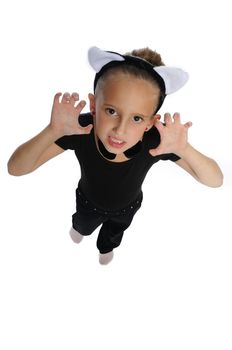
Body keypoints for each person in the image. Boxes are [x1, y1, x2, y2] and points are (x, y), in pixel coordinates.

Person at [8, 46, 223, 265]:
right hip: (87, 202)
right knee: (82, 224)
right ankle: (80, 231)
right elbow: (16, 168)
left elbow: (215, 181)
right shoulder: (79, 129)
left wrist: (184, 149)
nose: (120, 130)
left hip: (127, 207)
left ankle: (105, 247)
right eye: (111, 111)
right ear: (94, 105)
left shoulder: (157, 140)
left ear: (150, 122)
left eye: (137, 119)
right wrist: (52, 131)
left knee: (113, 234)